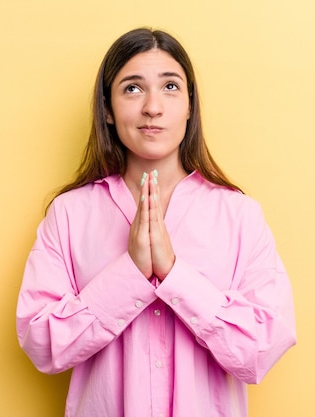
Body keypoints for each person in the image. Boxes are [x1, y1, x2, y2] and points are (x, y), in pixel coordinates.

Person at [16, 27, 296, 417]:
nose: (152, 107)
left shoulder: (239, 215)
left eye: (170, 87)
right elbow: (41, 344)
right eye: (132, 88)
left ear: (189, 106)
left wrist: (175, 274)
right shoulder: (69, 214)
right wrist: (129, 273)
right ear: (108, 110)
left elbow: (262, 348)